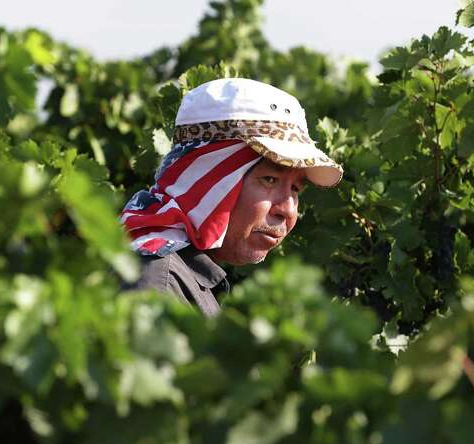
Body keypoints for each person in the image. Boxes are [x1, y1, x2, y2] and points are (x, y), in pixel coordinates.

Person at [119, 77, 343, 316]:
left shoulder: (180, 276)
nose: (287, 210)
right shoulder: (158, 285)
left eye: (296, 189)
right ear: (209, 180)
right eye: (270, 180)